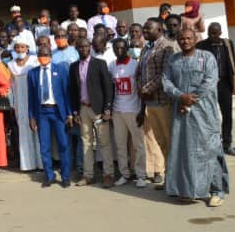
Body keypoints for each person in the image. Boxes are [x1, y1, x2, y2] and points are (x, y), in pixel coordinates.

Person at [163, 29, 229, 207]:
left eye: (188, 38)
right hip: (181, 114)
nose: (185, 41)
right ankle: (188, 189)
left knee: (210, 150)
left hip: (204, 113)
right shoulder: (173, 60)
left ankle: (216, 191)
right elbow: (166, 82)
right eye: (182, 38)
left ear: (195, 39)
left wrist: (190, 99)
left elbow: (210, 81)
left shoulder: (207, 57)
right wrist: (180, 96)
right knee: (184, 151)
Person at [70, 38, 115, 188]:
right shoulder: (74, 67)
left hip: (99, 110)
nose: (83, 49)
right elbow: (72, 90)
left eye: (85, 47)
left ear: (90, 48)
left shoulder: (99, 64)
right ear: (76, 49)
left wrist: (107, 109)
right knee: (86, 142)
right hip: (83, 109)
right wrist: (75, 111)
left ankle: (108, 174)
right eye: (80, 47)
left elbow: (108, 87)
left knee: (104, 142)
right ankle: (88, 175)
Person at [139, 18, 178, 186]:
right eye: (144, 29)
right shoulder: (146, 48)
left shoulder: (167, 47)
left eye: (148, 29)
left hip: (163, 102)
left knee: (169, 142)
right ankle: (168, 176)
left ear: (160, 29)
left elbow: (165, 73)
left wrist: (147, 89)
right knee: (160, 141)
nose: (144, 31)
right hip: (149, 103)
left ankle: (175, 179)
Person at [28, 47, 72, 188]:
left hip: (58, 112)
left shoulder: (60, 70)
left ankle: (65, 177)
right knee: (44, 146)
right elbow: (31, 97)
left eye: (45, 55)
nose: (43, 57)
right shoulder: (33, 73)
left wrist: (69, 113)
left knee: (63, 144)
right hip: (42, 112)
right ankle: (49, 176)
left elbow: (66, 93)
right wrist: (32, 116)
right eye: (40, 55)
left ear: (50, 56)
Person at [109, 39, 147, 188]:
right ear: (113, 49)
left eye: (122, 48)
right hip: (117, 111)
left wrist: (142, 111)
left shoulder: (135, 65)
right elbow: (111, 89)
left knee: (138, 145)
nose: (119, 51)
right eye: (116, 48)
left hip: (133, 110)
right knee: (120, 145)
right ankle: (124, 174)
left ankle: (141, 175)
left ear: (127, 49)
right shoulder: (111, 66)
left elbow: (142, 88)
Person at [196, 22, 235, 155]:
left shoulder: (227, 44)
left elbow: (232, 62)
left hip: (225, 84)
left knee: (227, 115)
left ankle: (227, 144)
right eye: (210, 33)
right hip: (208, 85)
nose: (212, 36)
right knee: (209, 115)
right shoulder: (201, 46)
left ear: (220, 33)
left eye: (215, 33)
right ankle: (212, 144)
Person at [8, 38, 42, 171]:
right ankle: (28, 164)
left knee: (37, 129)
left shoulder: (34, 61)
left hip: (34, 99)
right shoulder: (10, 65)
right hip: (19, 101)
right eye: (17, 47)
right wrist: (12, 103)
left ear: (27, 48)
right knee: (23, 130)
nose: (20, 50)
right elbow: (9, 86)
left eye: (22, 47)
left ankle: (41, 163)